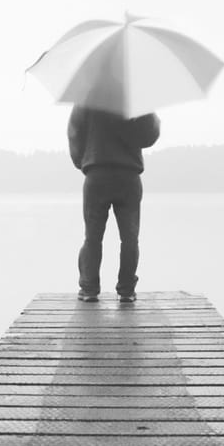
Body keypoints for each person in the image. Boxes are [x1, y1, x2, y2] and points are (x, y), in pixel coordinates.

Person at [68, 105, 160, 303]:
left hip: (96, 173)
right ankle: (126, 291)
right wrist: (151, 114)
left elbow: (74, 133)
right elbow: (149, 137)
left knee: (92, 237)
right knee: (130, 238)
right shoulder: (134, 98)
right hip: (128, 176)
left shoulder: (87, 97)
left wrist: (82, 161)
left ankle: (89, 289)